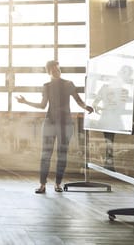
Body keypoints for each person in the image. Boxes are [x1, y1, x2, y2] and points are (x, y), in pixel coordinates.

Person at [15, 60, 93, 193]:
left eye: (59, 69)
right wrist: (25, 102)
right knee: (46, 154)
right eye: (54, 70)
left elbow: (78, 100)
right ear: (49, 72)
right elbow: (42, 105)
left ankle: (58, 184)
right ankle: (42, 185)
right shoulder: (47, 86)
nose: (57, 72)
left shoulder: (68, 84)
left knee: (62, 155)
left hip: (65, 123)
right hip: (50, 123)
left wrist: (86, 107)